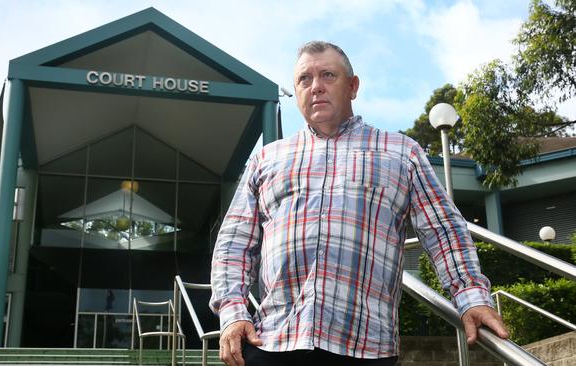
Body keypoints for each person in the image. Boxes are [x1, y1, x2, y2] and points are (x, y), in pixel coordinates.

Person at [209, 41, 508, 366]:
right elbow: (234, 245)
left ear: (353, 86)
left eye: (328, 75)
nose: (316, 87)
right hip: (273, 343)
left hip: (364, 347)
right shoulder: (266, 159)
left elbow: (444, 231)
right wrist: (233, 311)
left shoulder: (400, 153)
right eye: (304, 80)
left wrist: (471, 298)